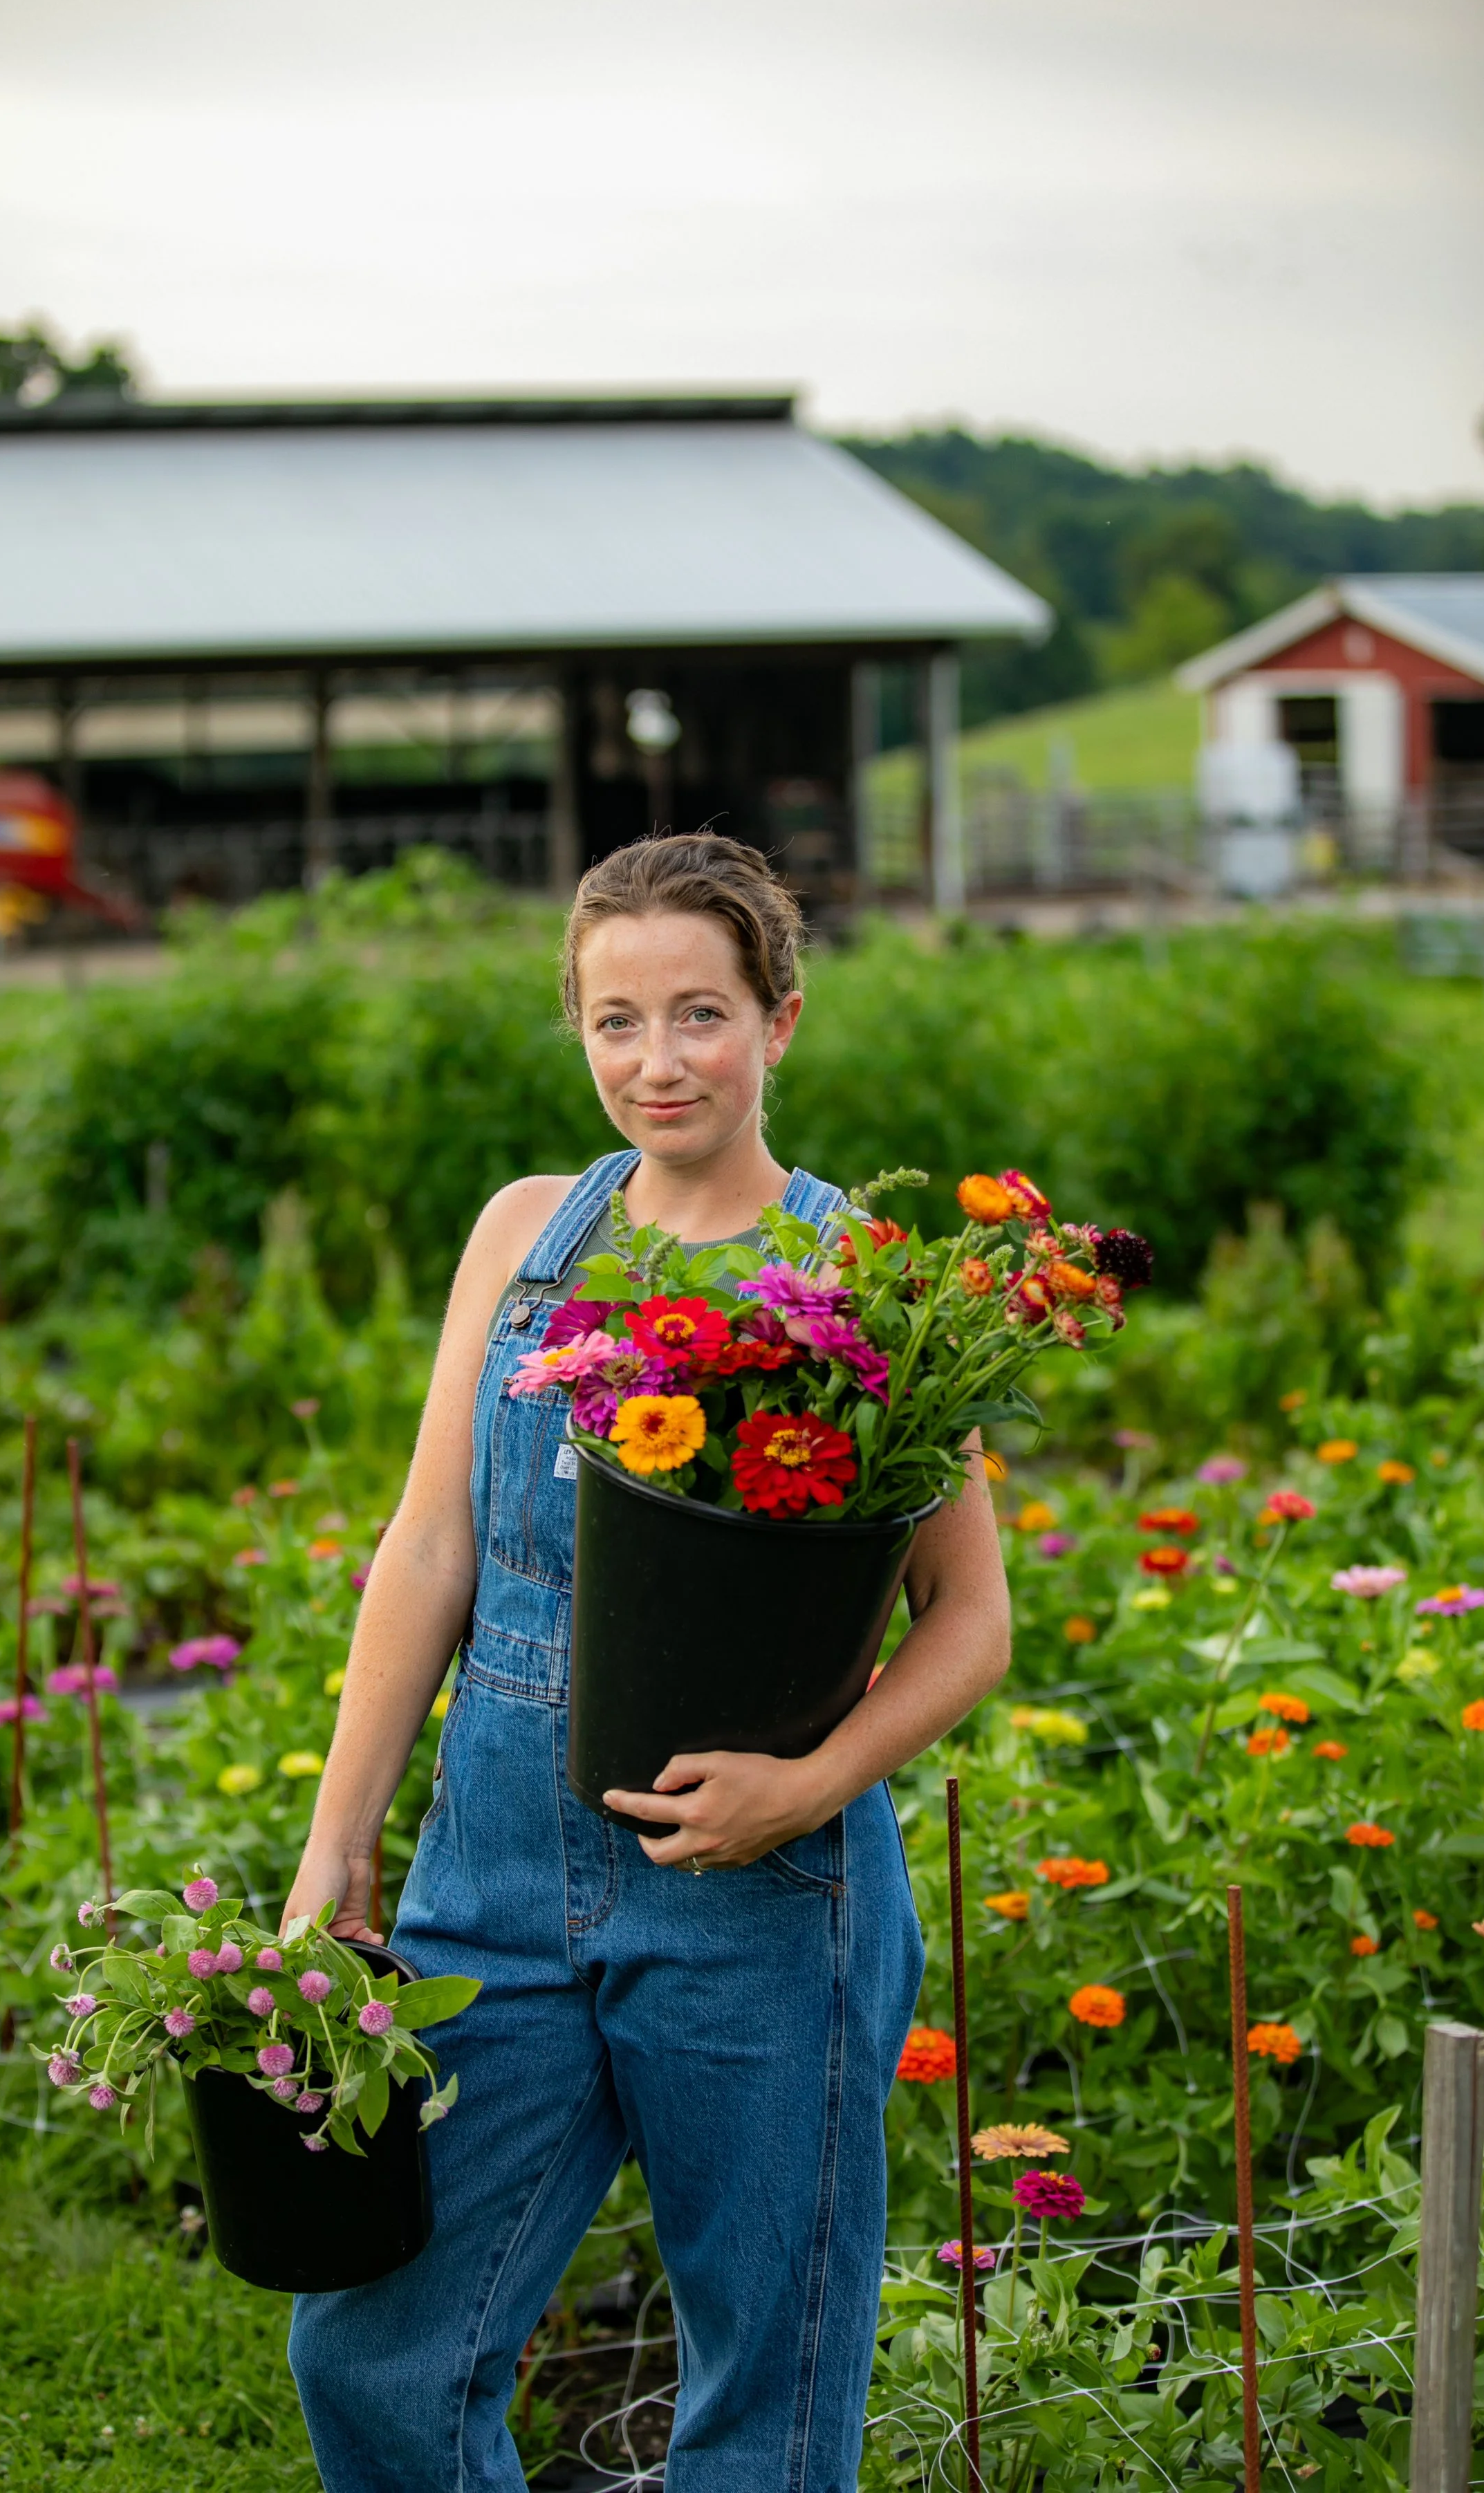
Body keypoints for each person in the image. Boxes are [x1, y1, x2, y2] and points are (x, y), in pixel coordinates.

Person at [284, 832, 1011, 2493]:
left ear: (781, 1022)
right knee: (375, 2346)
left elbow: (967, 1620)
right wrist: (338, 1846)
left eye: (698, 1013)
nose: (654, 1061)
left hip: (761, 1903)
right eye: (613, 1021)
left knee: (766, 2392)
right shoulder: (527, 1238)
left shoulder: (870, 1287)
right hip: (494, 1886)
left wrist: (808, 1786)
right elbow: (428, 1554)